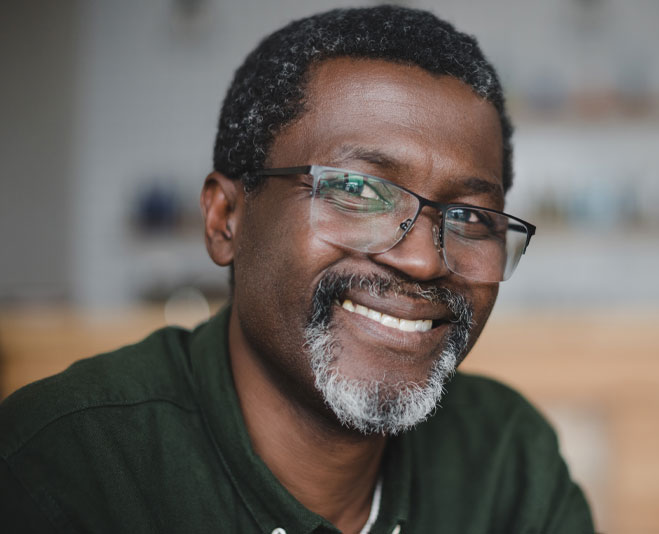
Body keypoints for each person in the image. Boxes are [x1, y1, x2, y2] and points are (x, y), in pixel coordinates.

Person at [0, 6, 594, 533]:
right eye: (359, 190)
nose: (421, 260)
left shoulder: (507, 461)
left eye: (469, 216)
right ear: (226, 218)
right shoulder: (60, 468)